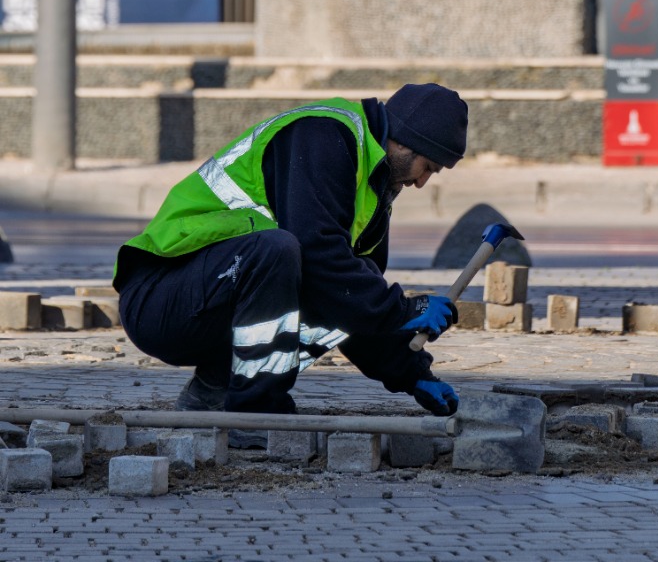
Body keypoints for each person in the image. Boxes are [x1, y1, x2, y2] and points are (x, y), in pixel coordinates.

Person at [113, 83, 468, 419]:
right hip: (160, 297)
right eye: (428, 168)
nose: (422, 183)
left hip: (209, 300)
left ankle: (214, 389)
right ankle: (255, 414)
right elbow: (317, 255)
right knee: (281, 251)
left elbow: (352, 302)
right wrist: (403, 309)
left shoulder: (372, 191)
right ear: (406, 143)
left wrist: (412, 373)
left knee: (351, 284)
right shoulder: (325, 136)